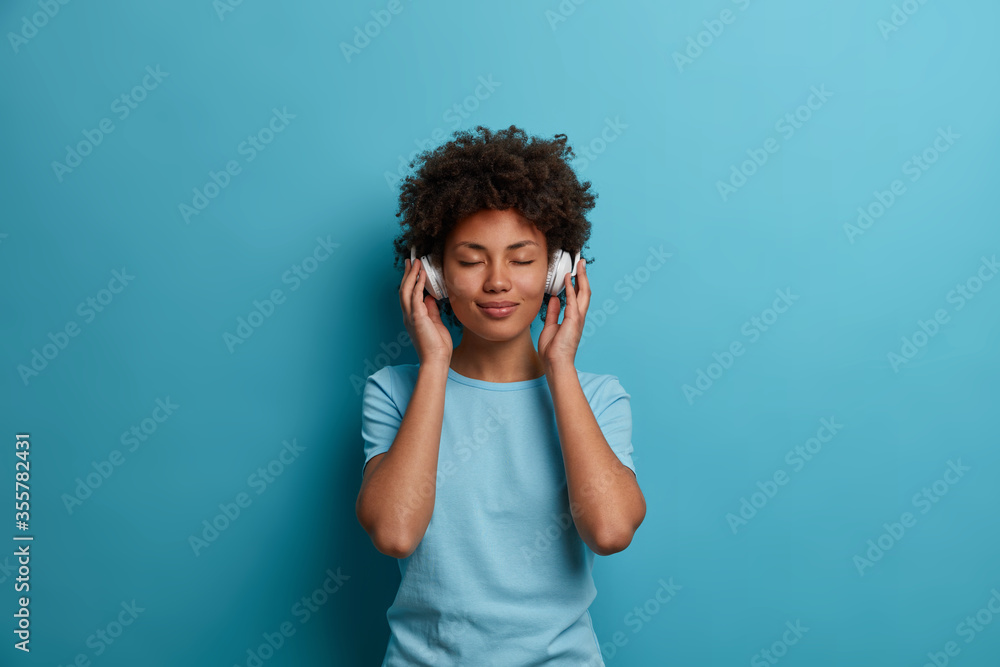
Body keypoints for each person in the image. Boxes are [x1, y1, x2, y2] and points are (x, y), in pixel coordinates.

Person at [356, 125, 646, 666]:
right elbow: (395, 533)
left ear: (559, 270)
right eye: (470, 260)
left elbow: (608, 531)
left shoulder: (599, 396)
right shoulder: (394, 391)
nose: (497, 282)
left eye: (521, 258)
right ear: (434, 275)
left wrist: (559, 366)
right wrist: (435, 365)